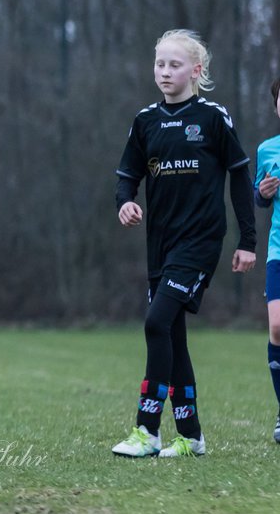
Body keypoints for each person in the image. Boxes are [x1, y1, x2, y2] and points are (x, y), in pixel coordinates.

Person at [112, 28, 256, 458]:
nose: (165, 71)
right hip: (160, 244)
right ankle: (191, 436)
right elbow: (126, 177)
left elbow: (239, 175)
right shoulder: (145, 121)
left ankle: (147, 430)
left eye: (174, 64)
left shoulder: (213, 117)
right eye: (159, 63)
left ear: (195, 71)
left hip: (199, 243)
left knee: (156, 323)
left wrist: (247, 240)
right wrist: (125, 204)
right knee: (172, 334)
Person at [252, 77, 280, 443]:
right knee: (277, 328)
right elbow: (257, 199)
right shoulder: (267, 150)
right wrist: (261, 191)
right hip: (278, 250)